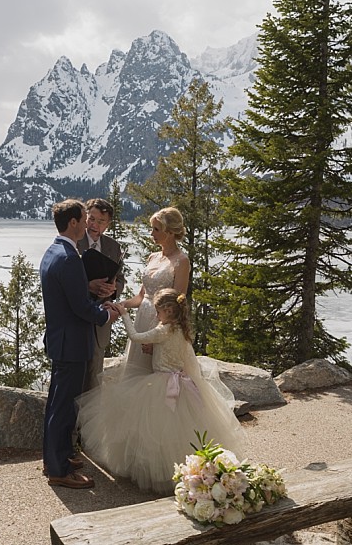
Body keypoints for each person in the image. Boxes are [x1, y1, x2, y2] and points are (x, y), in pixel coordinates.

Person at [75, 288, 245, 495]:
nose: (156, 315)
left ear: (168, 311)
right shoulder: (179, 329)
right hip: (182, 381)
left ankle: (162, 472)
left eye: (158, 312)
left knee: (155, 430)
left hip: (162, 383)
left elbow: (135, 336)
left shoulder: (162, 330)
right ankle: (189, 468)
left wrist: (124, 314)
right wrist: (154, 348)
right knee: (182, 429)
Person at [40, 199, 119, 490]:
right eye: (84, 218)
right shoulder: (70, 258)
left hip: (61, 340)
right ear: (73, 222)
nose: (87, 223)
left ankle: (54, 457)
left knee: (56, 403)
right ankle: (59, 469)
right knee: (63, 407)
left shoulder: (53, 252)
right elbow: (81, 307)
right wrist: (106, 314)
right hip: (72, 342)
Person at [118, 207, 191, 378]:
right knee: (135, 378)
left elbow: (177, 306)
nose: (151, 233)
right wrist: (121, 305)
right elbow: (142, 296)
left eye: (156, 229)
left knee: (155, 380)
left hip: (161, 325)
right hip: (142, 320)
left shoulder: (182, 261)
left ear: (171, 232)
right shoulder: (153, 257)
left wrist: (158, 340)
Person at [75, 198, 125, 392]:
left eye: (100, 221)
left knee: (95, 381)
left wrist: (113, 289)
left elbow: (120, 279)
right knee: (74, 379)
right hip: (76, 319)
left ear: (108, 224)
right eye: (91, 219)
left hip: (100, 324)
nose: (94, 225)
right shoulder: (74, 241)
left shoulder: (114, 247)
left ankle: (89, 422)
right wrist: (88, 286)